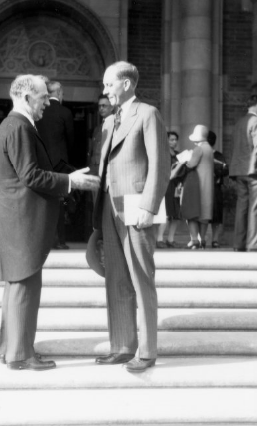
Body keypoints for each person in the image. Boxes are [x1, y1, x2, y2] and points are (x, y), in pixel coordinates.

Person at [0, 74, 100, 371]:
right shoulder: (20, 127)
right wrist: (71, 181)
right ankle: (20, 354)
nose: (47, 104)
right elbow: (31, 175)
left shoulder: (15, 125)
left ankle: (12, 348)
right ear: (27, 98)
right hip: (20, 216)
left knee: (19, 283)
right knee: (25, 283)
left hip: (15, 214)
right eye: (42, 98)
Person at [93, 61, 170, 373]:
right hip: (109, 207)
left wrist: (149, 208)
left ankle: (147, 351)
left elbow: (160, 164)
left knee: (141, 278)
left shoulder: (147, 113)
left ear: (125, 83)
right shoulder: (110, 121)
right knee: (116, 279)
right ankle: (123, 347)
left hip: (136, 205)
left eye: (109, 84)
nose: (105, 91)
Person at [37, 81, 74, 250]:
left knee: (43, 201)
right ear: (59, 92)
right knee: (60, 202)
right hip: (60, 165)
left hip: (41, 163)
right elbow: (71, 140)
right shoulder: (65, 112)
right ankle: (60, 240)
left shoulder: (40, 112)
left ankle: (43, 240)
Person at [229, 95, 257, 251]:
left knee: (242, 207)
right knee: (254, 208)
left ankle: (238, 244)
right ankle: (253, 244)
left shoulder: (240, 122)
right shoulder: (256, 121)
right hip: (253, 172)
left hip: (239, 170)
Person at [182, 125, 214, 249]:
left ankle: (194, 239)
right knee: (204, 215)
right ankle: (203, 239)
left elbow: (190, 165)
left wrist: (184, 159)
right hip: (207, 185)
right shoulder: (209, 148)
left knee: (192, 213)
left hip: (196, 185)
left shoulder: (198, 149)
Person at [156, 131, 182, 248]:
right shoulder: (163, 154)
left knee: (176, 214)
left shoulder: (178, 154)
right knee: (165, 213)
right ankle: (159, 238)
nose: (174, 142)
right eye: (171, 140)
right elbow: (169, 174)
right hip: (166, 185)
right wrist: (181, 164)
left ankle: (170, 239)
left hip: (177, 186)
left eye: (175, 140)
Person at [207, 130, 229, 248]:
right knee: (202, 215)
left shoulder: (218, 155)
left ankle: (215, 239)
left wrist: (216, 170)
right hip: (203, 187)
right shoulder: (199, 153)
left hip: (215, 188)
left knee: (216, 215)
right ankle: (201, 239)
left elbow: (225, 170)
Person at [88, 94, 114, 177]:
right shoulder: (97, 128)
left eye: (104, 106)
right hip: (94, 168)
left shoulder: (115, 125)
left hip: (107, 168)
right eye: (99, 106)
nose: (101, 108)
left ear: (112, 107)